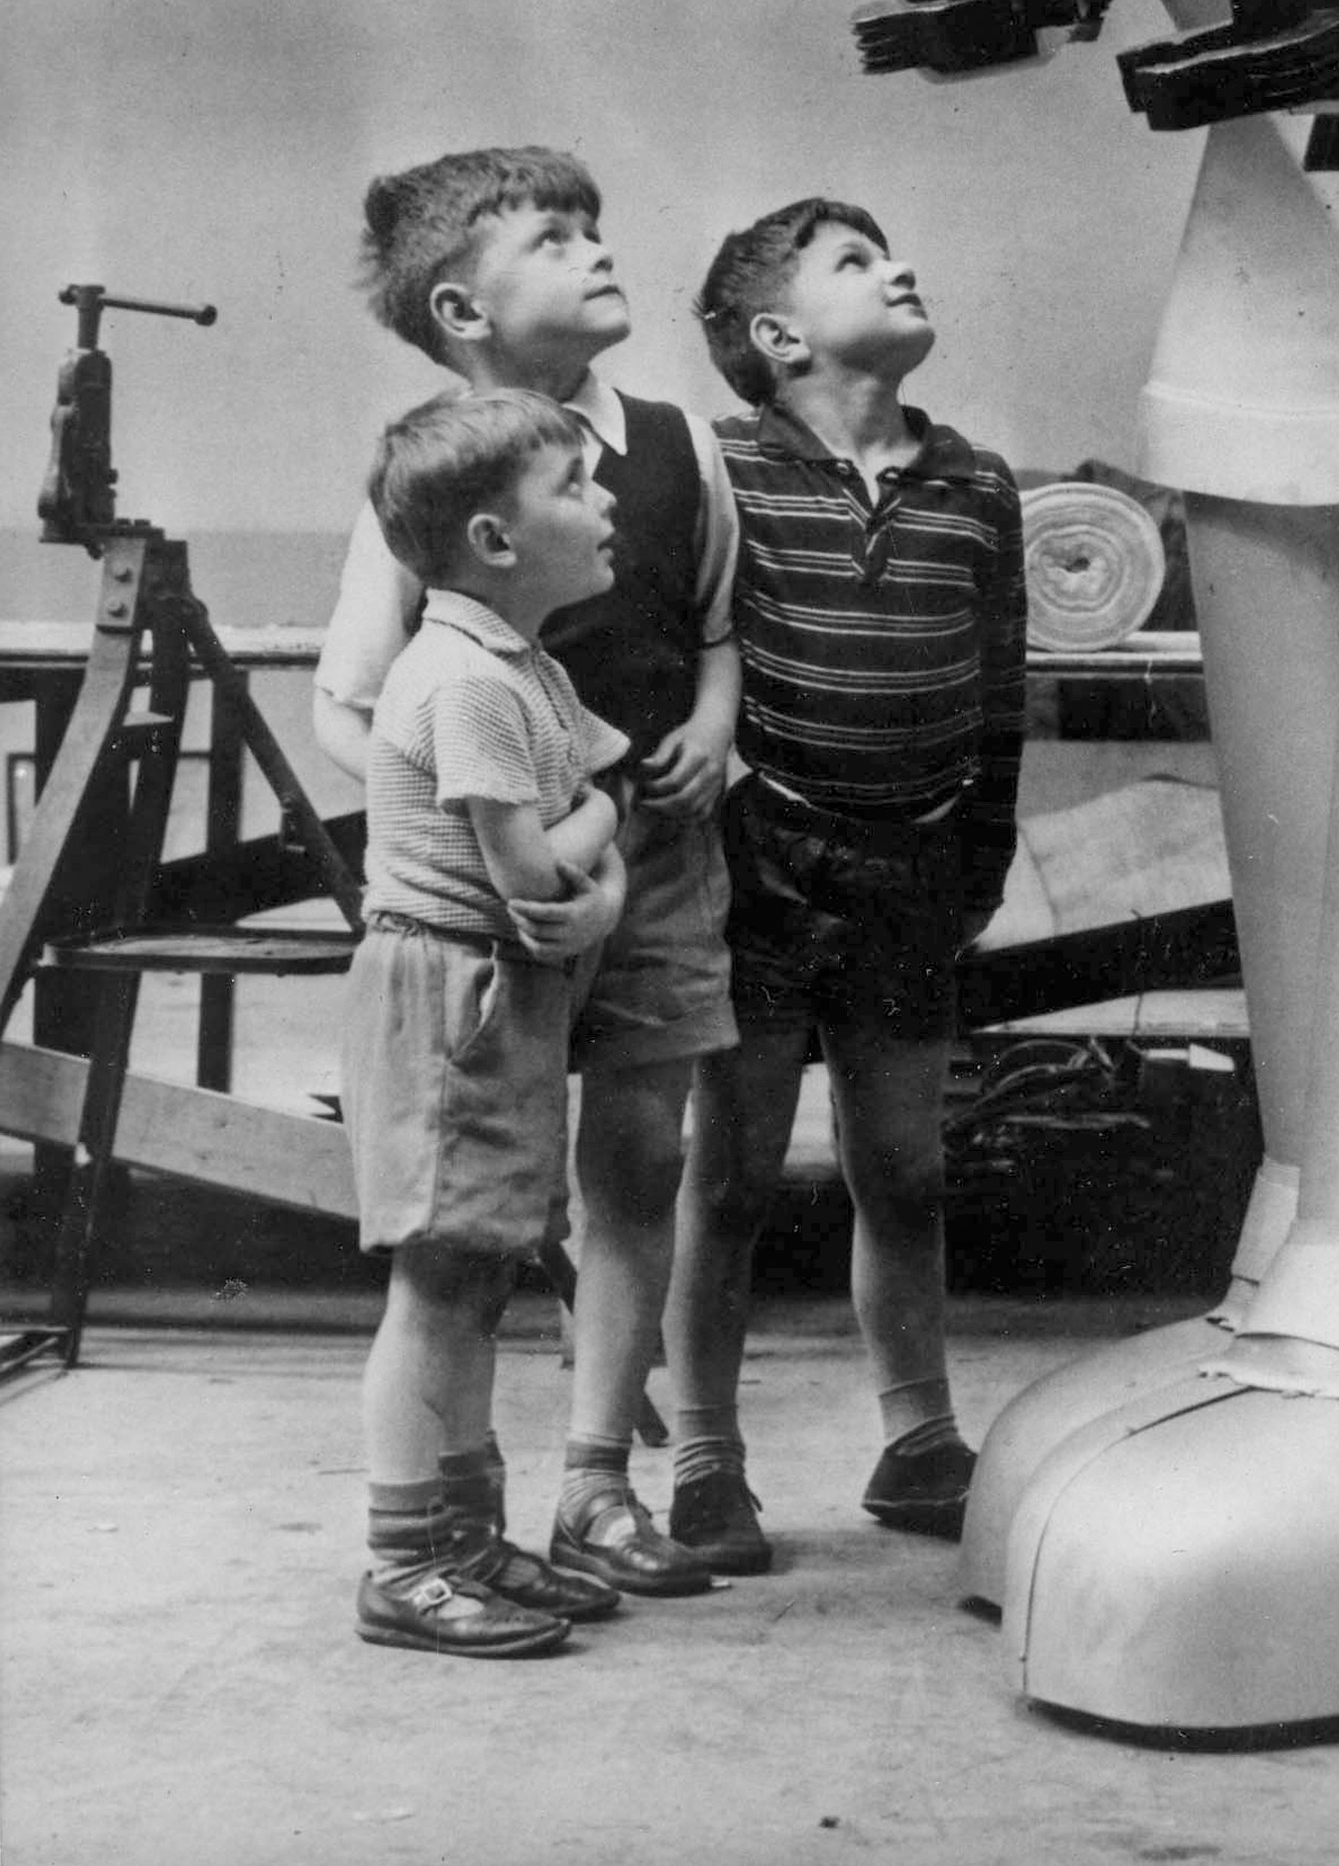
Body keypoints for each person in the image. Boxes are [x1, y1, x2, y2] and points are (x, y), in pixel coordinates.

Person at [314, 147, 746, 1592]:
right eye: (551, 238)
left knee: (640, 1165)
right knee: (480, 1217)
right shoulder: (440, 480)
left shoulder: (676, 447)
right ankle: (446, 1525)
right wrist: (471, 858)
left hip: (656, 859)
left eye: (592, 227)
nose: (593, 250)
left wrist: (711, 730)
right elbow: (352, 701)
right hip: (506, 904)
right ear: (462, 310)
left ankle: (597, 1486)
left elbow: (717, 631)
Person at [664, 198, 1026, 1550]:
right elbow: (678, 649)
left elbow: (1003, 687)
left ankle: (919, 1442)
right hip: (758, 861)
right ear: (777, 335)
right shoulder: (718, 469)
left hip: (916, 865)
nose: (901, 266)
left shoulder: (979, 482)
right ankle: (705, 1457)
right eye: (856, 263)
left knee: (906, 1172)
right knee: (730, 1180)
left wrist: (981, 850)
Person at [343, 386, 630, 1657]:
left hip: (496, 990)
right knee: (439, 1278)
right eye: (574, 484)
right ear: (494, 540)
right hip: (450, 994)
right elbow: (535, 868)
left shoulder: (525, 666)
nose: (605, 500)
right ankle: (406, 1560)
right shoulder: (464, 678)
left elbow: (591, 816)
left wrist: (596, 858)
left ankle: (462, 1536)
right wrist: (601, 844)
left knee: (474, 1275)